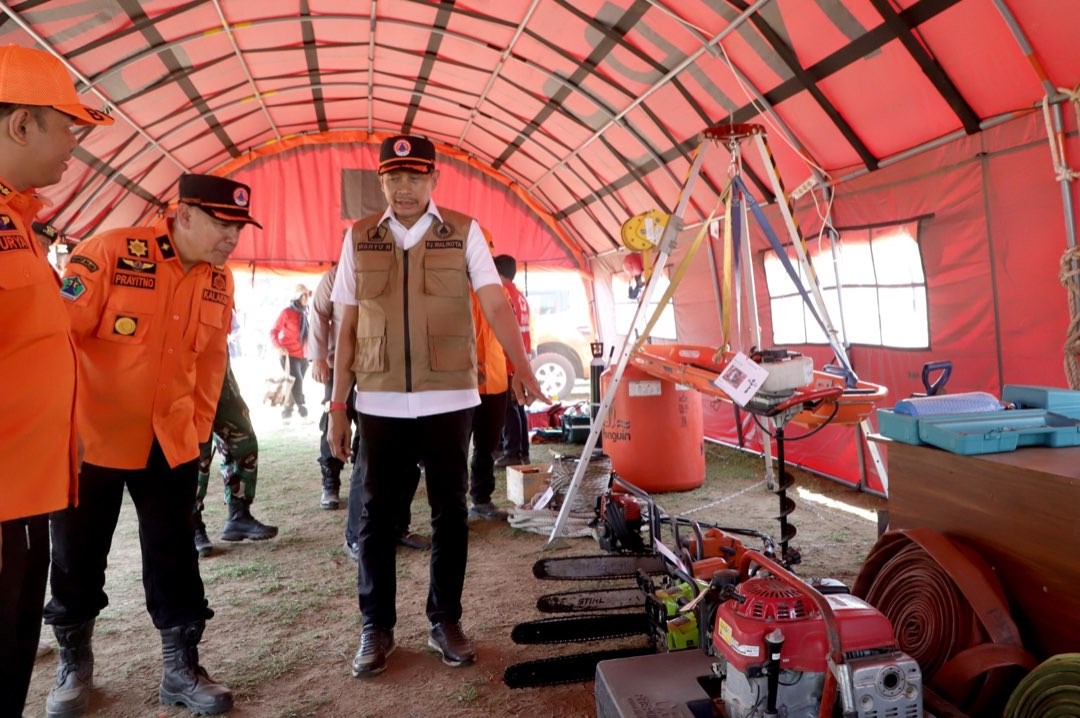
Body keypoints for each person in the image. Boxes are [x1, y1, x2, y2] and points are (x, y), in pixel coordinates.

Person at [327, 134, 545, 678]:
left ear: (433, 180)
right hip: (377, 399)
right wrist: (336, 404)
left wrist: (521, 364)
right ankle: (375, 628)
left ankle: (445, 619)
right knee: (378, 519)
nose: (404, 188)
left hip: (449, 396)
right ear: (381, 182)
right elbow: (346, 326)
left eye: (415, 177)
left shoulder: (465, 233)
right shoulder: (358, 238)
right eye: (394, 177)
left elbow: (494, 302)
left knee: (450, 513)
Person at [43, 173, 260, 717]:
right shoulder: (113, 252)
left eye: (239, 228)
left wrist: (198, 429)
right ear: (184, 214)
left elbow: (210, 363)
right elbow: (59, 337)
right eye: (221, 225)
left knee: (174, 555)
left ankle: (181, 671)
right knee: (76, 554)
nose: (231, 239)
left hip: (171, 440)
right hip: (93, 438)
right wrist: (58, 425)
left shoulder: (218, 279)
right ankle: (74, 667)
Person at [0, 43, 113, 718]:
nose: (75, 145)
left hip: (25, 490)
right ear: (20, 125)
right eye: (67, 127)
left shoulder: (19, 222)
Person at [308, 262, 430, 550]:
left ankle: (398, 526)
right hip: (346, 370)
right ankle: (355, 532)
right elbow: (319, 315)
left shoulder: (400, 269)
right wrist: (318, 357)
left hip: (394, 374)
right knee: (361, 451)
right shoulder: (337, 276)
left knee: (405, 455)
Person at [193, 356, 278, 558]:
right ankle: (192, 524)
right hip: (186, 378)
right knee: (196, 452)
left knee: (244, 440)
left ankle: (239, 515)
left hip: (220, 376)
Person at [468, 231, 510, 521]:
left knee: (487, 447)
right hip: (460, 381)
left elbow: (507, 328)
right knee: (454, 448)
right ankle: (454, 506)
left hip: (495, 380)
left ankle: (481, 500)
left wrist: (517, 370)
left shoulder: (497, 287)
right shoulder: (449, 285)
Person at [494, 254, 533, 466]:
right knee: (518, 406)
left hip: (509, 361)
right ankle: (522, 451)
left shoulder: (503, 294)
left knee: (509, 409)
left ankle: (512, 452)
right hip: (521, 359)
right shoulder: (520, 296)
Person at [270, 284, 311, 418]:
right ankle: (302, 408)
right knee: (297, 380)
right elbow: (273, 331)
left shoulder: (306, 312)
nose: (306, 297)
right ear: (297, 297)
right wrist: (278, 346)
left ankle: (287, 411)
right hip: (288, 354)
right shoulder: (286, 312)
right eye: (304, 295)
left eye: (307, 295)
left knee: (293, 383)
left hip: (303, 355)